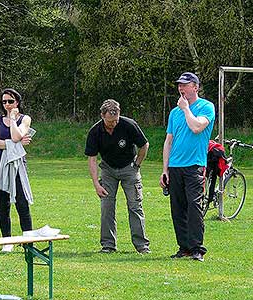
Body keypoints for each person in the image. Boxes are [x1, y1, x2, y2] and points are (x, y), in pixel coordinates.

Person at [160, 72, 215, 262]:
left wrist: (185, 109)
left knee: (194, 206)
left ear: (195, 87)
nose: (181, 88)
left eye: (185, 85)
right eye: (179, 85)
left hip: (195, 166)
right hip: (175, 166)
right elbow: (168, 141)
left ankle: (197, 248)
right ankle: (183, 247)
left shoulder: (206, 107)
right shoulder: (174, 113)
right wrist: (165, 170)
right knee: (178, 208)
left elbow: (197, 127)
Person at [85, 99, 150, 254]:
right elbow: (92, 159)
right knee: (107, 207)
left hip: (129, 168)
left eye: (116, 120)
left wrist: (137, 164)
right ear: (102, 116)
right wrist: (96, 184)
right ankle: (108, 245)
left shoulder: (129, 125)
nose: (113, 124)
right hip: (108, 171)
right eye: (110, 121)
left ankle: (142, 246)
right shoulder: (95, 131)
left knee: (135, 206)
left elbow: (144, 145)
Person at [0, 88, 33, 252]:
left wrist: (14, 119)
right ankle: (6, 241)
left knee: (22, 203)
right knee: (3, 204)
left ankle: (28, 242)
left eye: (10, 101)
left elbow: (16, 135)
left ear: (17, 102)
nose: (7, 105)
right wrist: (17, 144)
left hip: (17, 165)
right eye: (4, 102)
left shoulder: (25, 119)